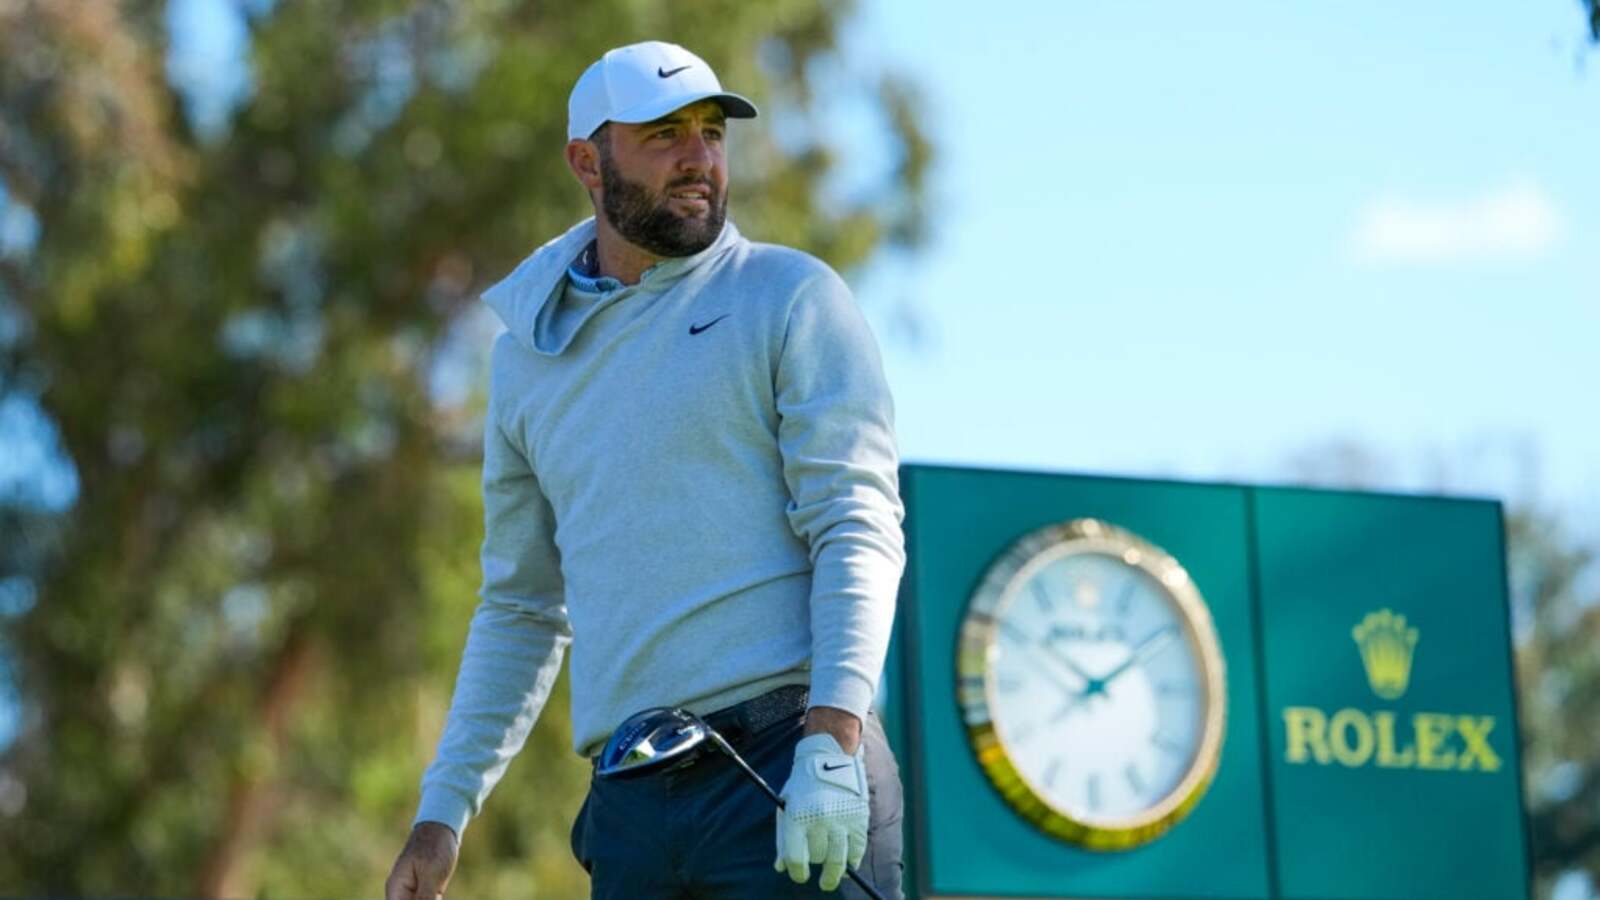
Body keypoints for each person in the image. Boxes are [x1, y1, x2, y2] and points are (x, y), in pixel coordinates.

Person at [383, 40, 907, 900]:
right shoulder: (528, 359)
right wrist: (442, 816)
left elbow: (857, 522)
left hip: (793, 764)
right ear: (587, 164)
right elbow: (520, 605)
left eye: (713, 133)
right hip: (630, 804)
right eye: (665, 134)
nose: (700, 157)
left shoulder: (792, 296)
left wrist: (834, 737)